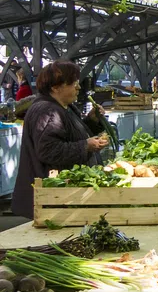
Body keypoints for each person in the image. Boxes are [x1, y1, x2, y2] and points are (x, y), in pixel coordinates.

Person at [11, 61, 110, 218]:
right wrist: (85, 146)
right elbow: (49, 151)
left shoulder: (63, 107)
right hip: (51, 200)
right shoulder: (48, 111)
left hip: (60, 199)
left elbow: (70, 134)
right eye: (73, 83)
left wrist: (92, 121)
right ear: (55, 87)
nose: (78, 87)